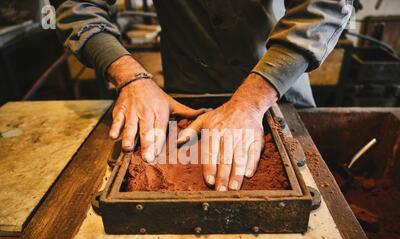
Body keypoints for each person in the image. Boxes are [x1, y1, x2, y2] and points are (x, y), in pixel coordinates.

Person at [56, 0, 353, 191]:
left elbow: (323, 7)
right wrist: (130, 77)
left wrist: (249, 103)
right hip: (188, 91)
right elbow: (79, 5)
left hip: (277, 86)